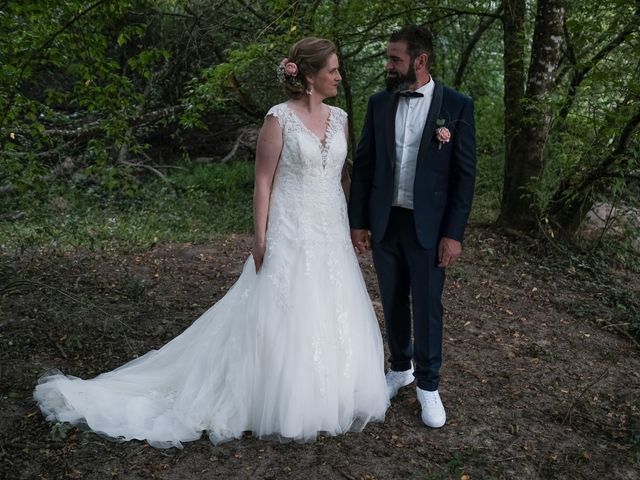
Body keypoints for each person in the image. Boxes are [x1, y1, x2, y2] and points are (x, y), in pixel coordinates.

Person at [34, 37, 389, 448]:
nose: (338, 76)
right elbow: (262, 181)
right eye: (332, 70)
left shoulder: (341, 117)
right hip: (291, 227)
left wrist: (355, 222)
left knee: (333, 304)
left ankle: (333, 392)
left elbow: (342, 174)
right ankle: (279, 395)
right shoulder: (279, 119)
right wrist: (260, 237)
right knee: (286, 308)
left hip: (330, 227)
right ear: (309, 75)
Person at [348, 25, 477, 428]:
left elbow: (464, 175)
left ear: (419, 61)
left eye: (394, 58)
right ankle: (400, 366)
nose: (388, 65)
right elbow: (364, 164)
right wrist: (358, 222)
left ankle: (428, 385)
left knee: (426, 304)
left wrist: (453, 233)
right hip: (386, 221)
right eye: (389, 58)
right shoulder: (378, 103)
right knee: (391, 298)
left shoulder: (456, 106)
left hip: (429, 227)